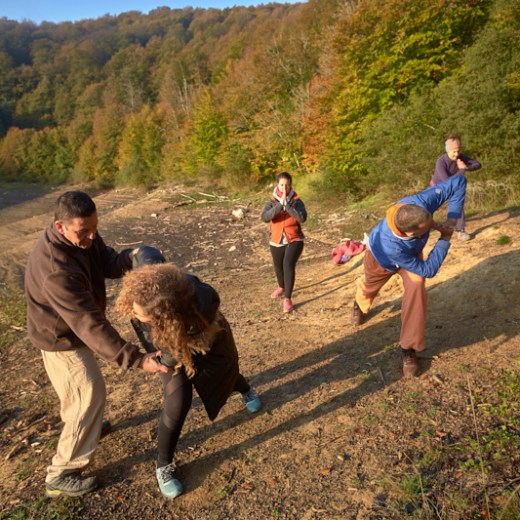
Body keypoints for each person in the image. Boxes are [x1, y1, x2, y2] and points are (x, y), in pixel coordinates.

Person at [24, 191, 168, 498]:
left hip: (74, 328)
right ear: (60, 226)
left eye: (94, 227)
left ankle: (85, 426)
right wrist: (137, 359)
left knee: (78, 395)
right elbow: (88, 323)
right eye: (83, 231)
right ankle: (62, 472)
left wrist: (133, 258)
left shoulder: (82, 237)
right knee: (87, 392)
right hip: (60, 338)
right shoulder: (55, 269)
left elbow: (107, 261)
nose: (91, 236)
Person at [116, 260, 262, 499]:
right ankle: (163, 465)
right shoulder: (151, 290)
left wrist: (162, 362)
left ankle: (246, 390)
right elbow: (144, 256)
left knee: (222, 376)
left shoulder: (200, 309)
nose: (134, 315)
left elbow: (174, 355)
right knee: (177, 402)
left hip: (207, 341)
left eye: (142, 315)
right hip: (170, 340)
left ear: (165, 313)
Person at [351, 176, 467, 377]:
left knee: (416, 287)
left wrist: (451, 219)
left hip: (410, 256)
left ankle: (408, 349)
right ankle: (359, 304)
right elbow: (429, 269)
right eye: (428, 227)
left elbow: (458, 182)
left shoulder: (420, 203)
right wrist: (445, 237)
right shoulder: (392, 245)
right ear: (411, 234)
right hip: (381, 260)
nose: (433, 225)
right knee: (369, 287)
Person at [261, 171, 307, 313]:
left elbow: (302, 218)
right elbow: (265, 217)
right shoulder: (271, 202)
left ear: (290, 186)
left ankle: (287, 298)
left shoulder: (297, 201)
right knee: (278, 266)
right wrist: (280, 206)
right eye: (282, 185)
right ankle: (281, 287)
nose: (284, 188)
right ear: (277, 185)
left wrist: (288, 206)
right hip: (276, 239)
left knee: (288, 264)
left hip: (295, 239)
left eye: (287, 185)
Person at [431, 135, 481, 241]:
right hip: (438, 187)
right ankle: (423, 228)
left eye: (458, 151)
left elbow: (477, 164)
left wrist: (467, 167)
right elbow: (447, 182)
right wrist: (462, 170)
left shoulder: (461, 157)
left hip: (454, 187)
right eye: (454, 151)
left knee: (458, 203)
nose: (456, 154)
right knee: (430, 205)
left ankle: (460, 230)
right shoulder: (441, 162)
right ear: (448, 150)